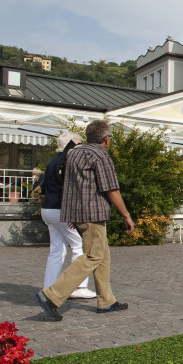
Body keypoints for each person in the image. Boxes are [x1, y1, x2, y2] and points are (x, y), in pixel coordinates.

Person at [34, 120, 135, 321]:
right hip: (93, 213)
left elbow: (68, 186)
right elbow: (111, 189)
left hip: (77, 211)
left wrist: (70, 214)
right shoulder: (100, 155)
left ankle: (106, 300)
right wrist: (126, 215)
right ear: (106, 139)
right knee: (93, 256)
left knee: (102, 253)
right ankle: (51, 295)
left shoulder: (75, 153)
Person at [38, 132, 96, 299]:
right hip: (59, 210)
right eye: (78, 144)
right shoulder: (65, 162)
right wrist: (70, 213)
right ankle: (78, 286)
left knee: (57, 250)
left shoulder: (53, 161)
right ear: (70, 145)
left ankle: (49, 287)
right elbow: (66, 189)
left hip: (48, 209)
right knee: (80, 246)